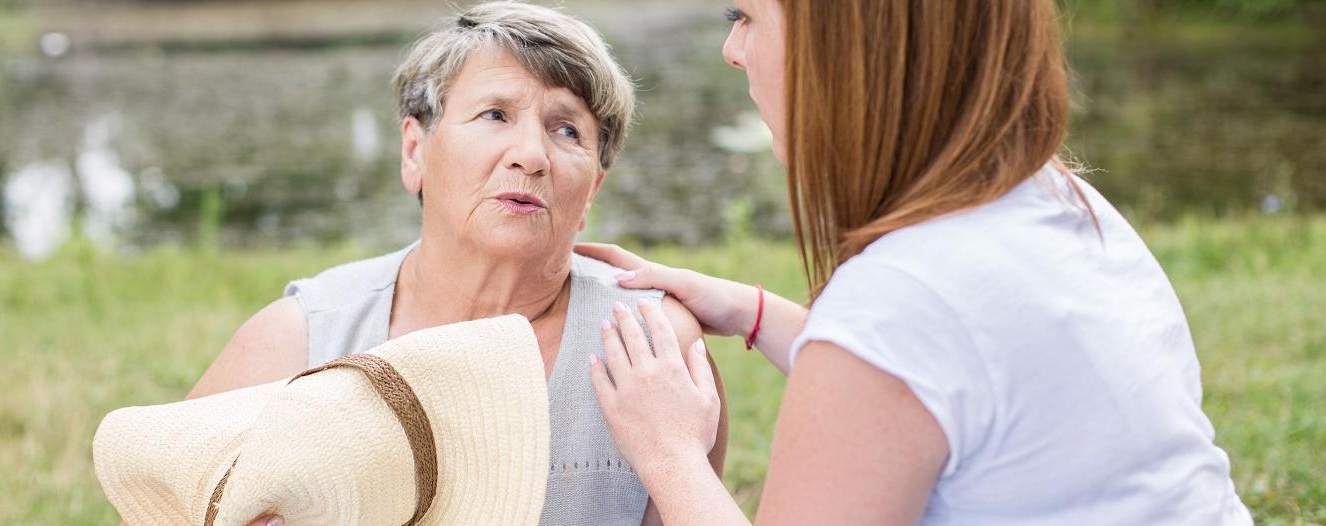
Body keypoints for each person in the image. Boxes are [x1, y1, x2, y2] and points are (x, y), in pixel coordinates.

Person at [581, 0, 1251, 524]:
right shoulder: (1055, 196)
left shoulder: (901, 300)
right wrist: (754, 312)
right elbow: (935, 380)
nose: (732, 50)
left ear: (846, 54)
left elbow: (904, 346)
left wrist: (669, 453)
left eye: (747, 17)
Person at [183, 3, 727, 526]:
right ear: (414, 152)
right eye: (495, 114)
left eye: (568, 130)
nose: (531, 156)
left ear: (591, 194)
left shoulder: (656, 347)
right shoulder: (301, 339)